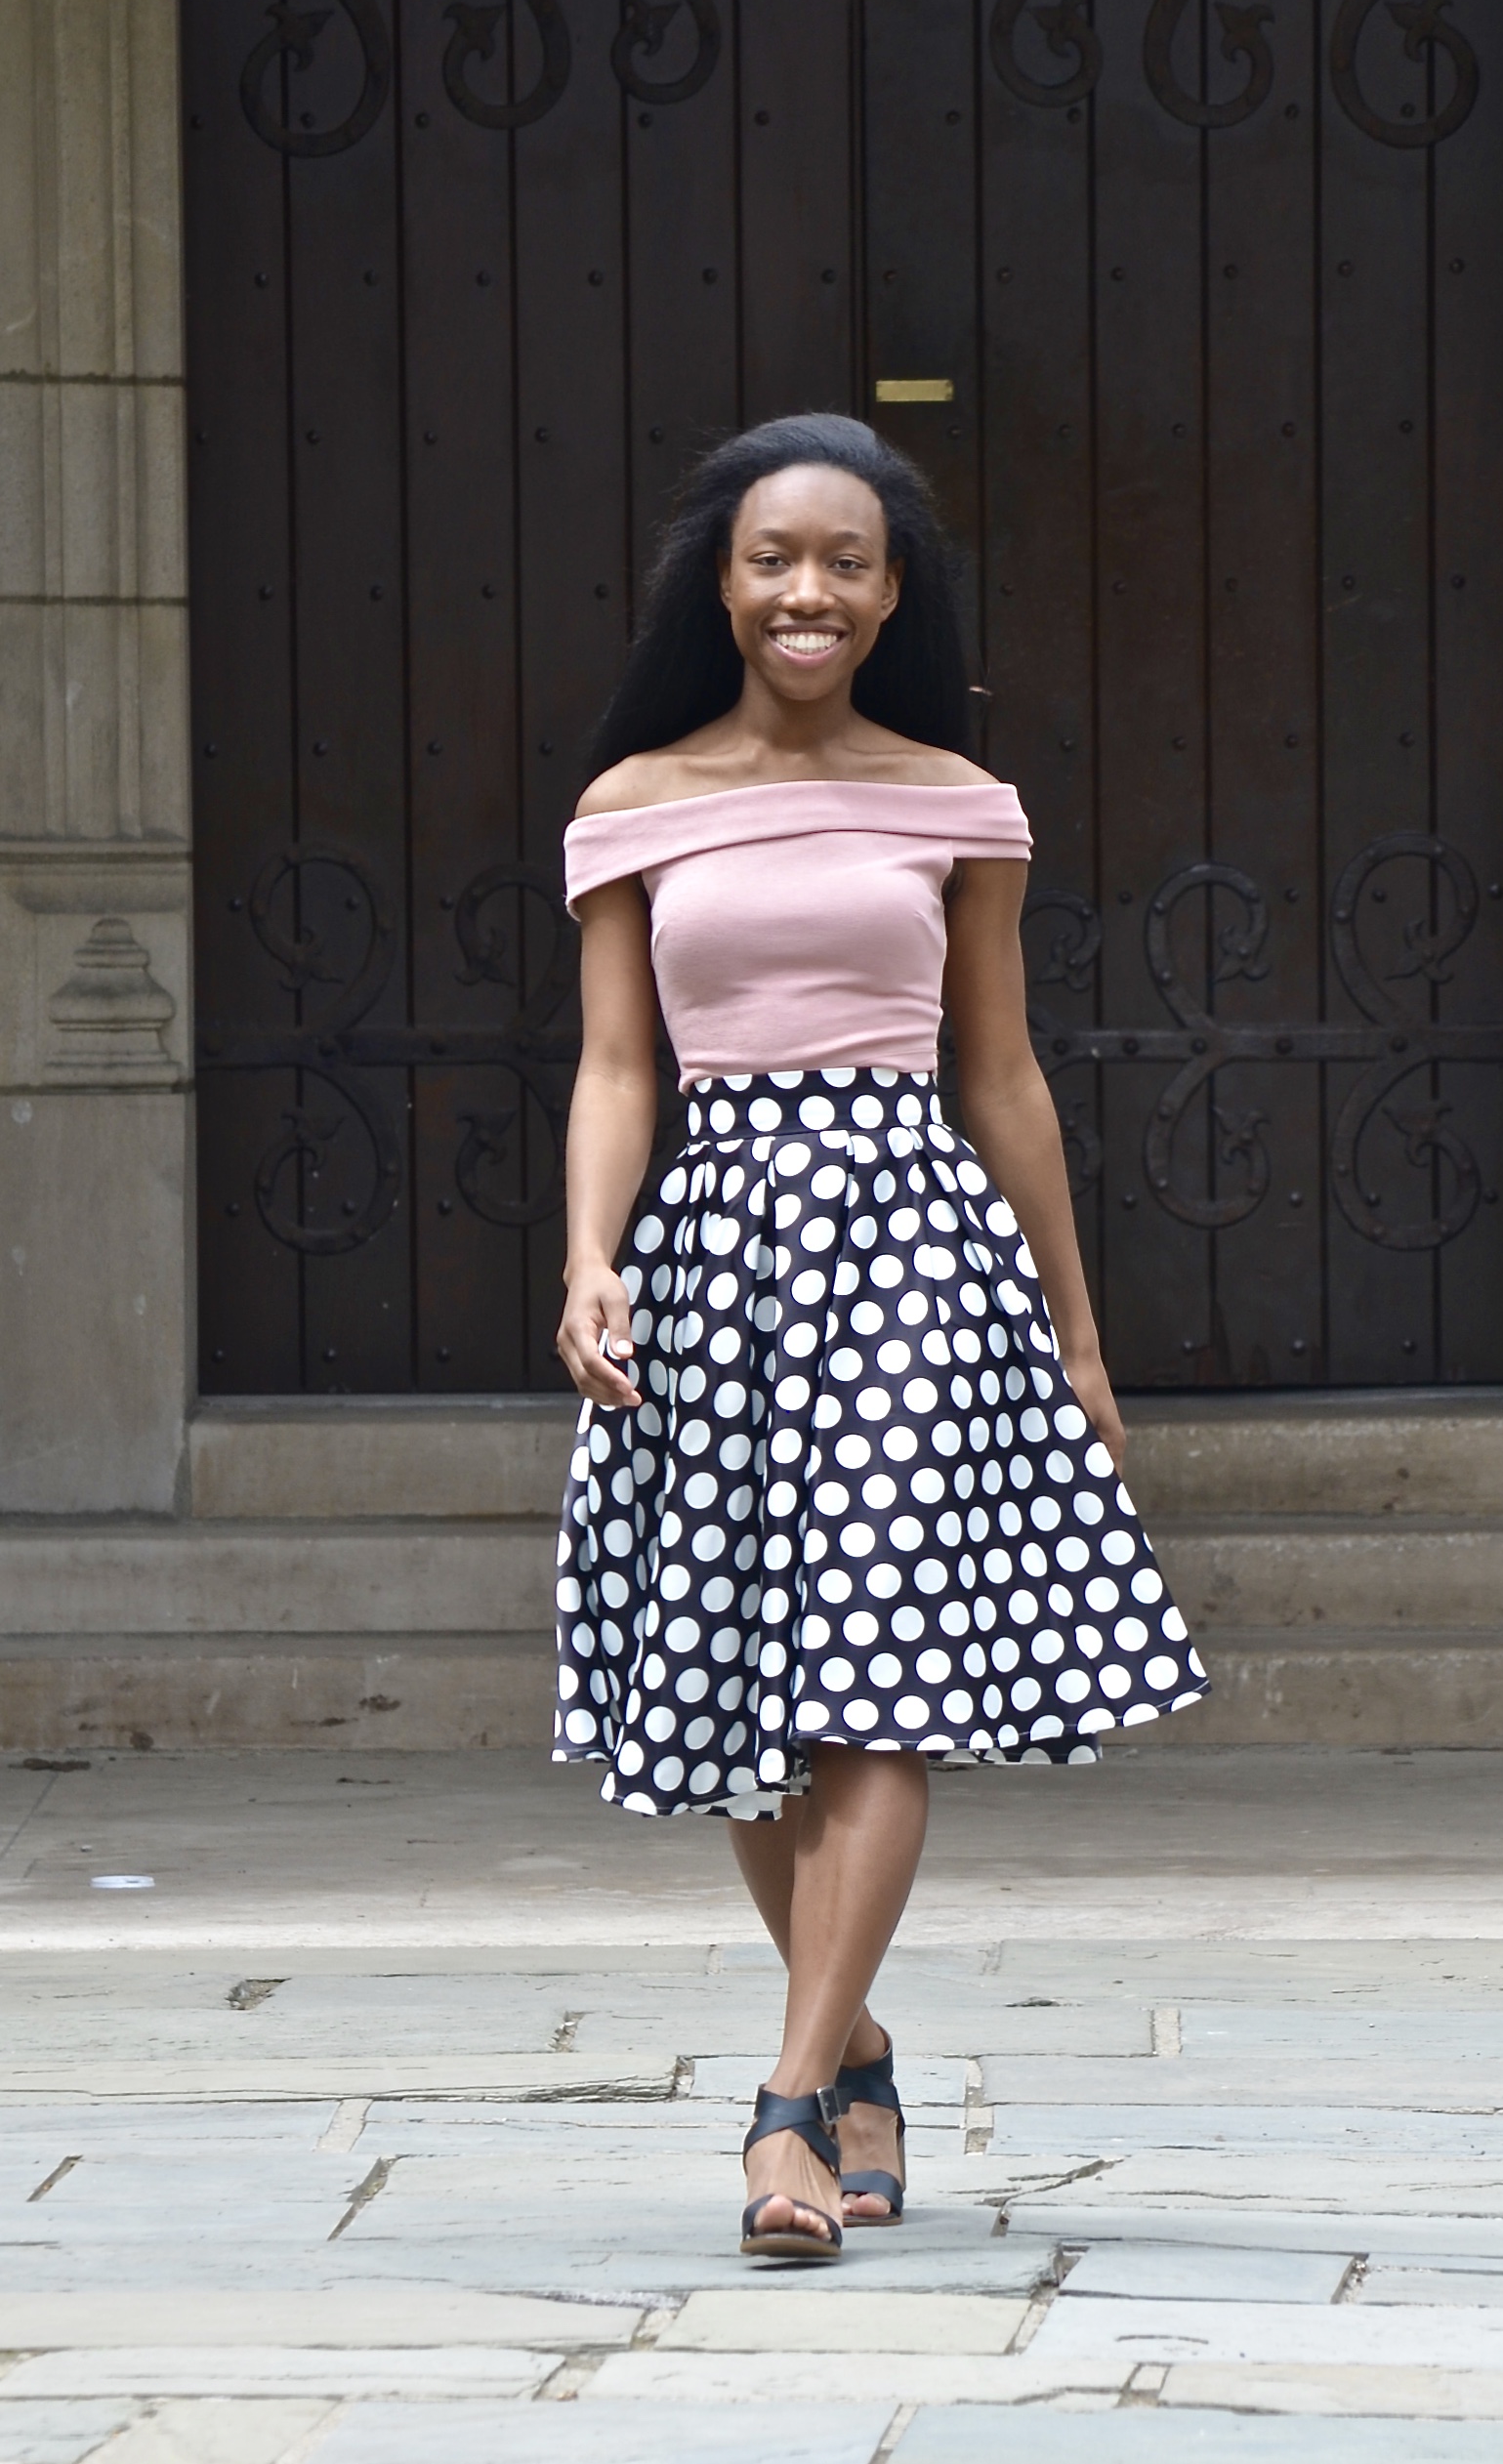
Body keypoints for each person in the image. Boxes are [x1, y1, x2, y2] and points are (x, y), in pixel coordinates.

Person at [554, 413, 1208, 2262]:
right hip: (712, 1257)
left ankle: (782, 2110)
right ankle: (857, 2046)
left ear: (891, 589)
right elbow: (617, 1066)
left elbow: (1000, 1075)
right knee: (734, 1686)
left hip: (918, 1249)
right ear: (726, 582)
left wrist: (1076, 1336)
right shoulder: (633, 802)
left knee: (877, 1670)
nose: (808, 592)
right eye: (776, 558)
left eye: (847, 561)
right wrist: (593, 1260)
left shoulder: (957, 799)